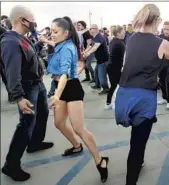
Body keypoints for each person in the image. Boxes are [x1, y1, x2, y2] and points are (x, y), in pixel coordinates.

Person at [115, 4, 169, 185]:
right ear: (158, 21)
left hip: (123, 95)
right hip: (143, 97)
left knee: (135, 140)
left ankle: (140, 161)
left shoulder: (131, 39)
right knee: (137, 145)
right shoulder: (162, 43)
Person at [47, 16, 109, 183]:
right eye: (51, 31)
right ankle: (76, 146)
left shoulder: (67, 47)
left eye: (55, 31)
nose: (52, 34)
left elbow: (66, 73)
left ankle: (100, 160)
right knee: (59, 123)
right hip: (60, 85)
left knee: (79, 128)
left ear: (66, 33)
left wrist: (57, 95)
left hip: (70, 88)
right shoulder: (60, 45)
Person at [0, 5, 53, 181]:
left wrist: (40, 43)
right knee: (26, 124)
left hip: (37, 84)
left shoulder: (22, 38)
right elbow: (12, 72)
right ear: (22, 20)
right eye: (32, 18)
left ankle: (34, 143)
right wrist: (18, 97)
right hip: (27, 88)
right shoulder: (10, 42)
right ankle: (11, 165)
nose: (34, 22)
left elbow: (29, 55)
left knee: (43, 114)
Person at [83, 24, 109, 95]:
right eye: (90, 29)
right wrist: (85, 51)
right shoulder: (93, 37)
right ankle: (97, 85)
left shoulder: (100, 37)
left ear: (96, 29)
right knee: (96, 73)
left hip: (104, 60)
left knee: (102, 76)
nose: (90, 30)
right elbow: (91, 45)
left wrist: (88, 54)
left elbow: (95, 47)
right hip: (99, 60)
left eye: (91, 29)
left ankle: (106, 89)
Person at [105, 25, 125, 109]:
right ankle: (116, 103)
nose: (124, 34)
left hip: (111, 66)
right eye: (123, 32)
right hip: (115, 67)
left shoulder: (113, 41)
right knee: (121, 85)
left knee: (114, 85)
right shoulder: (120, 43)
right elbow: (124, 57)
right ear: (118, 33)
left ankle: (108, 103)